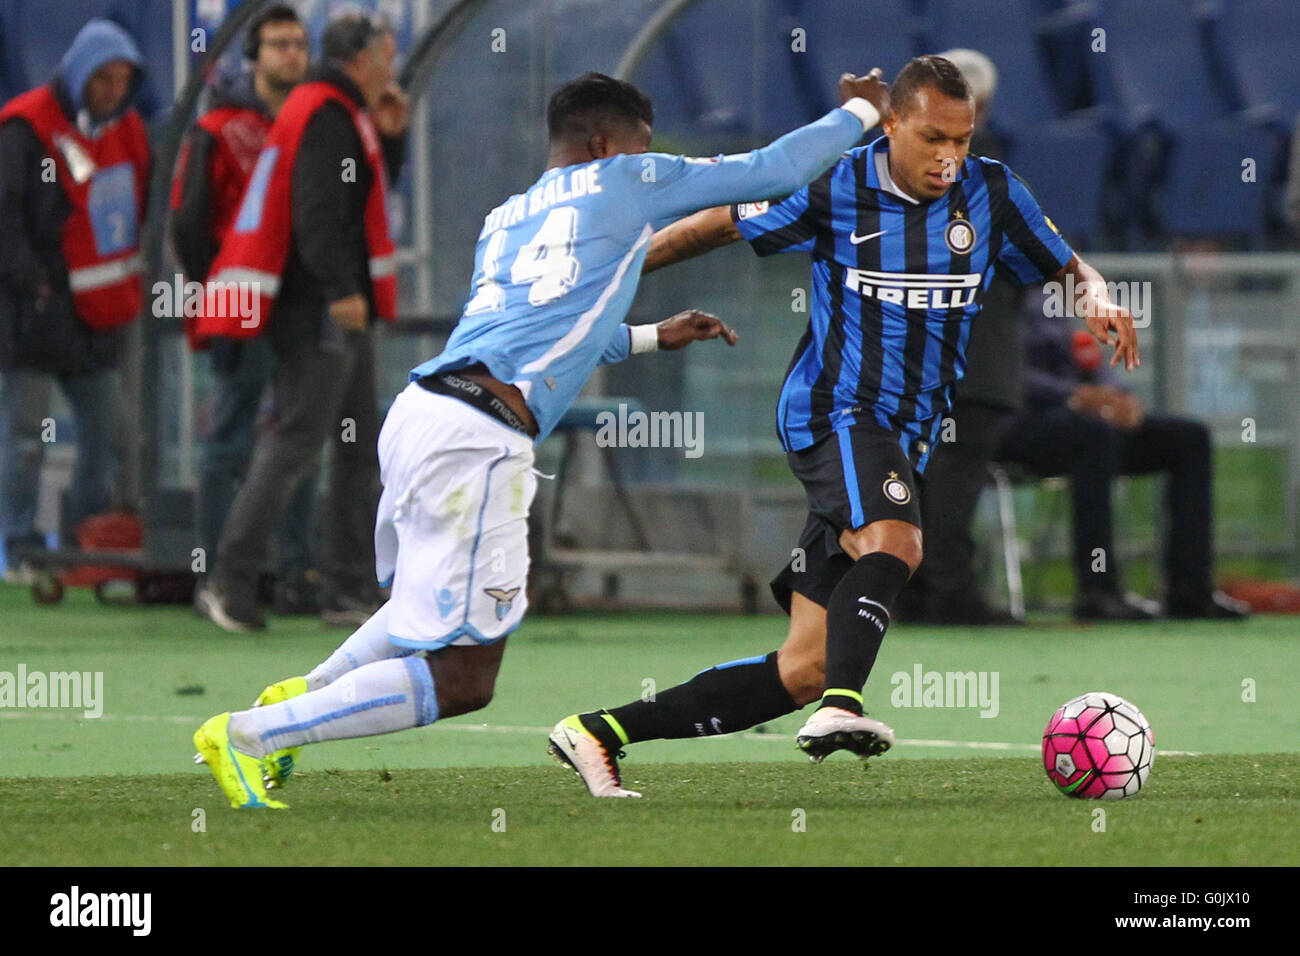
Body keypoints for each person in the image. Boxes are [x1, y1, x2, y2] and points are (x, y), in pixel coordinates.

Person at [191, 69, 888, 809]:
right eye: (639, 145)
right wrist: (860, 110)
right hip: (477, 440)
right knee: (465, 678)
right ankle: (252, 734)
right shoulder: (625, 179)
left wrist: (653, 336)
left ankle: (305, 693)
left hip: (424, 411)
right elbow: (773, 170)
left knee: (428, 607)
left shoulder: (509, 215)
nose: (647, 158)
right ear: (604, 144)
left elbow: (545, 329)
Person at [552, 55, 1140, 798]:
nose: (949, 158)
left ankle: (598, 733)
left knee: (799, 665)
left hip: (906, 434)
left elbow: (1068, 265)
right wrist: (612, 276)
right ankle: (843, 706)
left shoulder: (992, 191)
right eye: (932, 138)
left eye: (960, 140)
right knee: (896, 541)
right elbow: (719, 225)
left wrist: (1097, 297)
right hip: (834, 413)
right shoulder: (836, 184)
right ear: (891, 122)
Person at [192, 11, 410, 631]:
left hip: (335, 307)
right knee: (296, 442)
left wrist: (391, 138)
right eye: (387, 59)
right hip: (318, 306)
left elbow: (355, 198)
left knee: (353, 449)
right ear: (361, 61)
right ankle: (229, 582)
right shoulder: (326, 112)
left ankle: (343, 588)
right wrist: (341, 289)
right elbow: (315, 211)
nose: (392, 73)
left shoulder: (340, 111)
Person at [170, 4, 319, 615]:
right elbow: (189, 224)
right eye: (278, 44)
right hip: (240, 304)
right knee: (230, 443)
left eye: (299, 43)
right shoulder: (218, 129)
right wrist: (223, 291)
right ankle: (217, 576)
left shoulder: (317, 124)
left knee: (301, 441)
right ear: (252, 56)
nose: (292, 53)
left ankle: (292, 574)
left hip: (303, 310)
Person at [0, 19, 149, 577]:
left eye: (121, 80)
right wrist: (32, 284)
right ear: (79, 74)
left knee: (108, 434)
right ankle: (19, 548)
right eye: (103, 78)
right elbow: (6, 220)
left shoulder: (125, 130)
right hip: (34, 316)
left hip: (98, 319)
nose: (112, 90)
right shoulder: (24, 130)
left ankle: (84, 544)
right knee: (25, 441)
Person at [994, 297, 1250, 620]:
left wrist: (1118, 396)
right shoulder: (988, 288)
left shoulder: (1049, 293)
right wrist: (1072, 396)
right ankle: (1099, 592)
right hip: (1018, 426)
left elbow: (1087, 358)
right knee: (1093, 436)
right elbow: (996, 371)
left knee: (1189, 438)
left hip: (1084, 421)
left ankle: (1190, 589)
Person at [895, 47, 1022, 625]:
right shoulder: (989, 172)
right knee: (952, 479)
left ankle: (910, 592)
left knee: (912, 475)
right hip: (976, 355)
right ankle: (948, 592)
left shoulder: (890, 167)